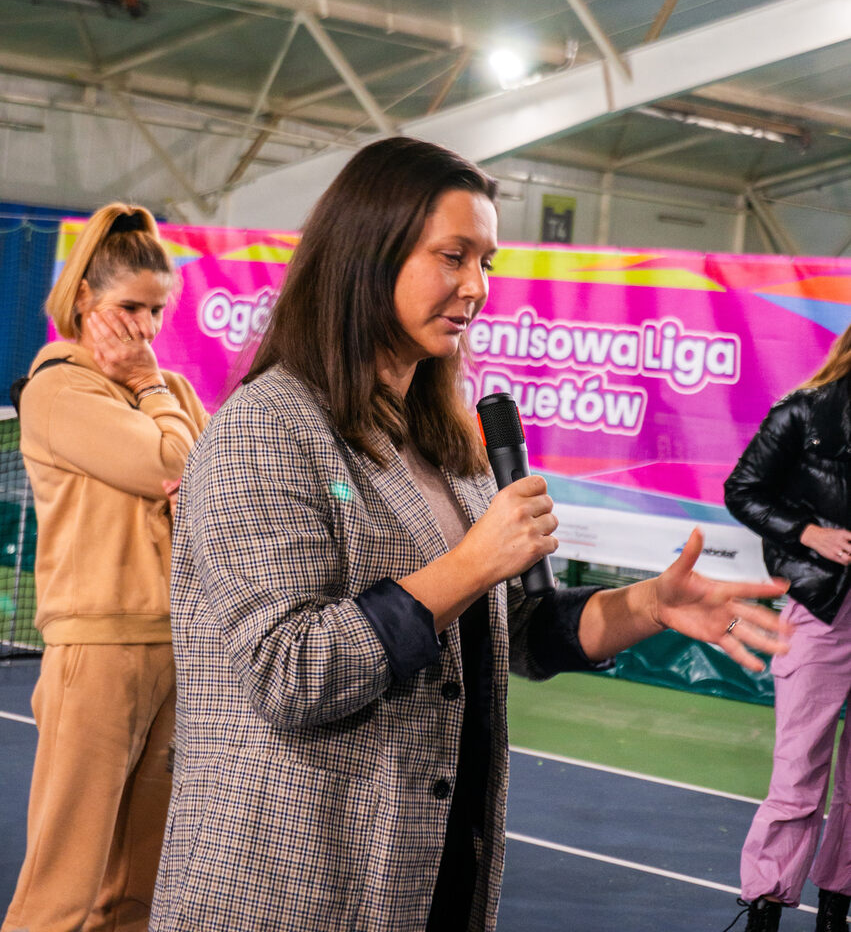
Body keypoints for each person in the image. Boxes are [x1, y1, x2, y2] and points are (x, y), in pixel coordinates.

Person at [150, 136, 789, 932]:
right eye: (452, 256)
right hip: (293, 884)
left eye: (485, 262)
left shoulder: (444, 445)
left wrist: (649, 605)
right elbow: (291, 671)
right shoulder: (265, 428)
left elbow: (509, 630)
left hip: (425, 869)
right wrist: (472, 562)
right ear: (366, 255)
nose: (476, 287)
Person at [3, 203, 207, 932]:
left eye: (157, 311)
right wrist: (154, 393)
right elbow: (172, 462)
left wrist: (158, 397)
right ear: (85, 296)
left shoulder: (170, 390)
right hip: (95, 652)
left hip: (174, 648)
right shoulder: (60, 388)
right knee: (61, 893)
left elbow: (212, 488)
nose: (146, 329)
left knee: (133, 894)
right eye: (131, 308)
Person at [724, 327, 851, 932]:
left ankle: (836, 909)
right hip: (822, 609)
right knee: (798, 771)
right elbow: (742, 490)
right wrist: (808, 533)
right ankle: (766, 909)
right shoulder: (802, 413)